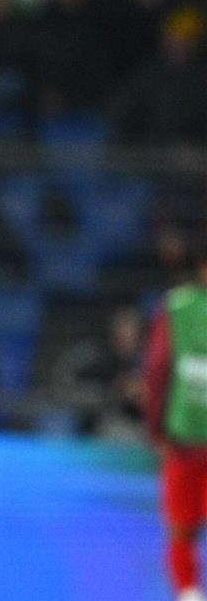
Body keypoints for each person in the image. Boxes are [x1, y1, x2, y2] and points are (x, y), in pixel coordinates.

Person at [144, 243, 207, 601]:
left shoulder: (176, 307)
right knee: (181, 528)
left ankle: (187, 592)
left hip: (182, 436)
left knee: (181, 529)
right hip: (183, 441)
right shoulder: (177, 307)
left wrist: (155, 427)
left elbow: (156, 369)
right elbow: (157, 369)